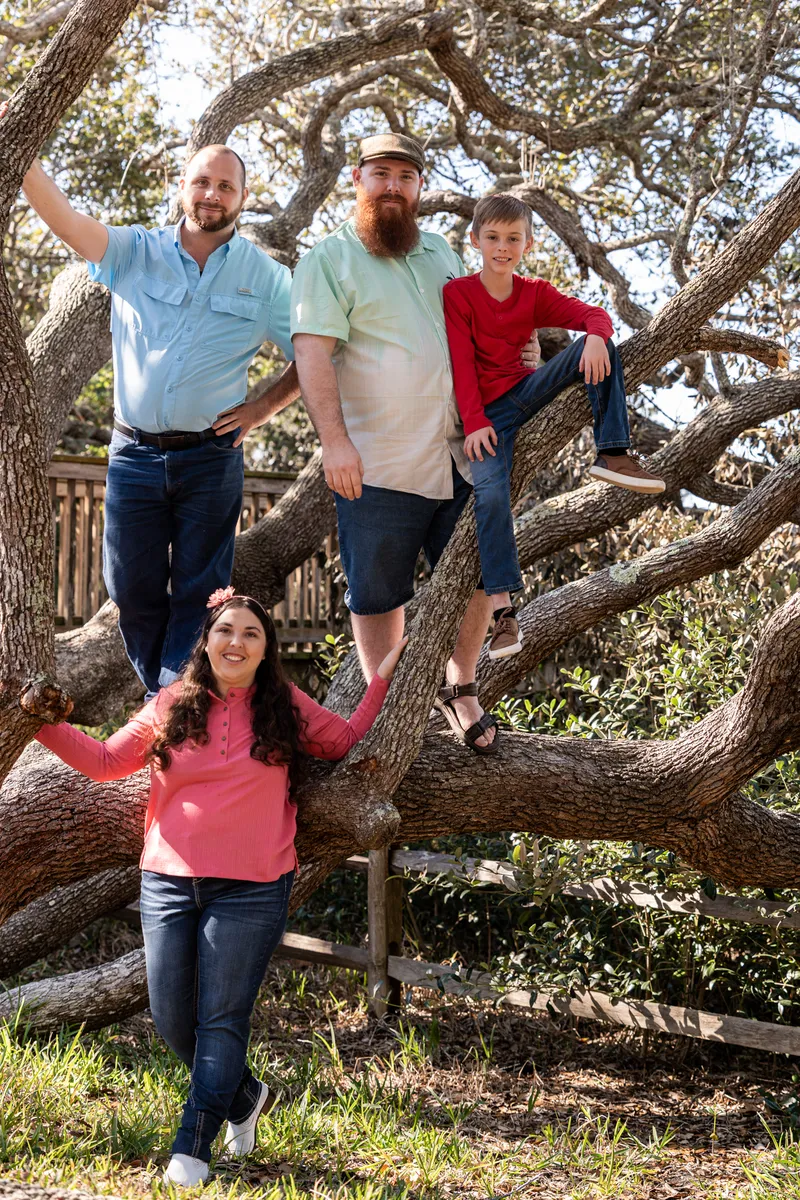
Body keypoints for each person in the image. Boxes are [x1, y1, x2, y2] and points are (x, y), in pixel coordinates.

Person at [33, 587, 407, 1186]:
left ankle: (193, 1144)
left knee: (223, 1019)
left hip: (253, 886)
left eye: (251, 634)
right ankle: (243, 1097)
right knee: (173, 1018)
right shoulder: (170, 703)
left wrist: (383, 680)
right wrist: (37, 723)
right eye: (226, 630)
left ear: (266, 650)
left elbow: (340, 742)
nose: (237, 642)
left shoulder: (284, 703)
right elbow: (105, 762)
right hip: (167, 881)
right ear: (206, 642)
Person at [4, 100, 300, 698]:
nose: (211, 193)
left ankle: (168, 702)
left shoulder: (266, 277)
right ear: (182, 189)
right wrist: (20, 146)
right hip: (133, 454)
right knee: (130, 586)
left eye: (225, 185)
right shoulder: (135, 251)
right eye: (201, 182)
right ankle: (161, 690)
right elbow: (63, 220)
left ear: (243, 197)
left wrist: (263, 407)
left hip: (210, 456)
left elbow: (318, 354)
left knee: (200, 589)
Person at [291, 133, 540, 755]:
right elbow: (311, 353)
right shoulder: (330, 258)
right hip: (377, 458)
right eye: (381, 174)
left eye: (406, 176)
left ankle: (460, 684)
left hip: (461, 448)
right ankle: (388, 702)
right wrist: (336, 443)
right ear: (357, 179)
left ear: (420, 186)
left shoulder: (441, 255)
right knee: (377, 589)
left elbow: (480, 325)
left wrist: (520, 351)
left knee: (480, 568)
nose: (394, 186)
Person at [443, 193, 666, 661]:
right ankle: (505, 615)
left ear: (528, 243)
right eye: (492, 238)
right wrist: (477, 422)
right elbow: (462, 365)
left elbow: (594, 314)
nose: (502, 247)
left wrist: (597, 337)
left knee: (600, 344)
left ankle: (613, 451)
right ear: (475, 240)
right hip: (488, 418)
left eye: (513, 239)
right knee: (491, 495)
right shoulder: (459, 294)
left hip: (529, 392)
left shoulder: (534, 292)